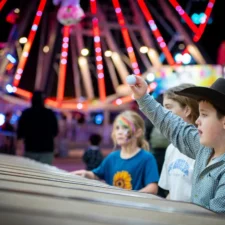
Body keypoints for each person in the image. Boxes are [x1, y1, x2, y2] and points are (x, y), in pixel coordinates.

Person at [129, 76, 225, 213]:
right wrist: (143, 97)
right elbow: (174, 126)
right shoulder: (204, 148)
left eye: (204, 114)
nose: (197, 120)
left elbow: (215, 220)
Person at [73, 110, 159, 194]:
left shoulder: (147, 158)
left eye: (125, 128)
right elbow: (96, 174)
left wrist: (133, 196)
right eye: (117, 128)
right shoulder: (112, 157)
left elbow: (152, 188)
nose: (119, 132)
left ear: (138, 132)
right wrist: (85, 174)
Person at [159, 84, 199, 202]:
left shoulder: (205, 148)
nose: (163, 113)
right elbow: (171, 193)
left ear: (187, 110)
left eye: (168, 107)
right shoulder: (171, 148)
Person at [17, 91, 59, 165]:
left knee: (31, 173)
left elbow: (20, 133)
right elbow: (55, 132)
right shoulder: (49, 113)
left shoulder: (26, 113)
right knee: (44, 173)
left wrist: (18, 149)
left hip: (30, 148)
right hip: (47, 149)